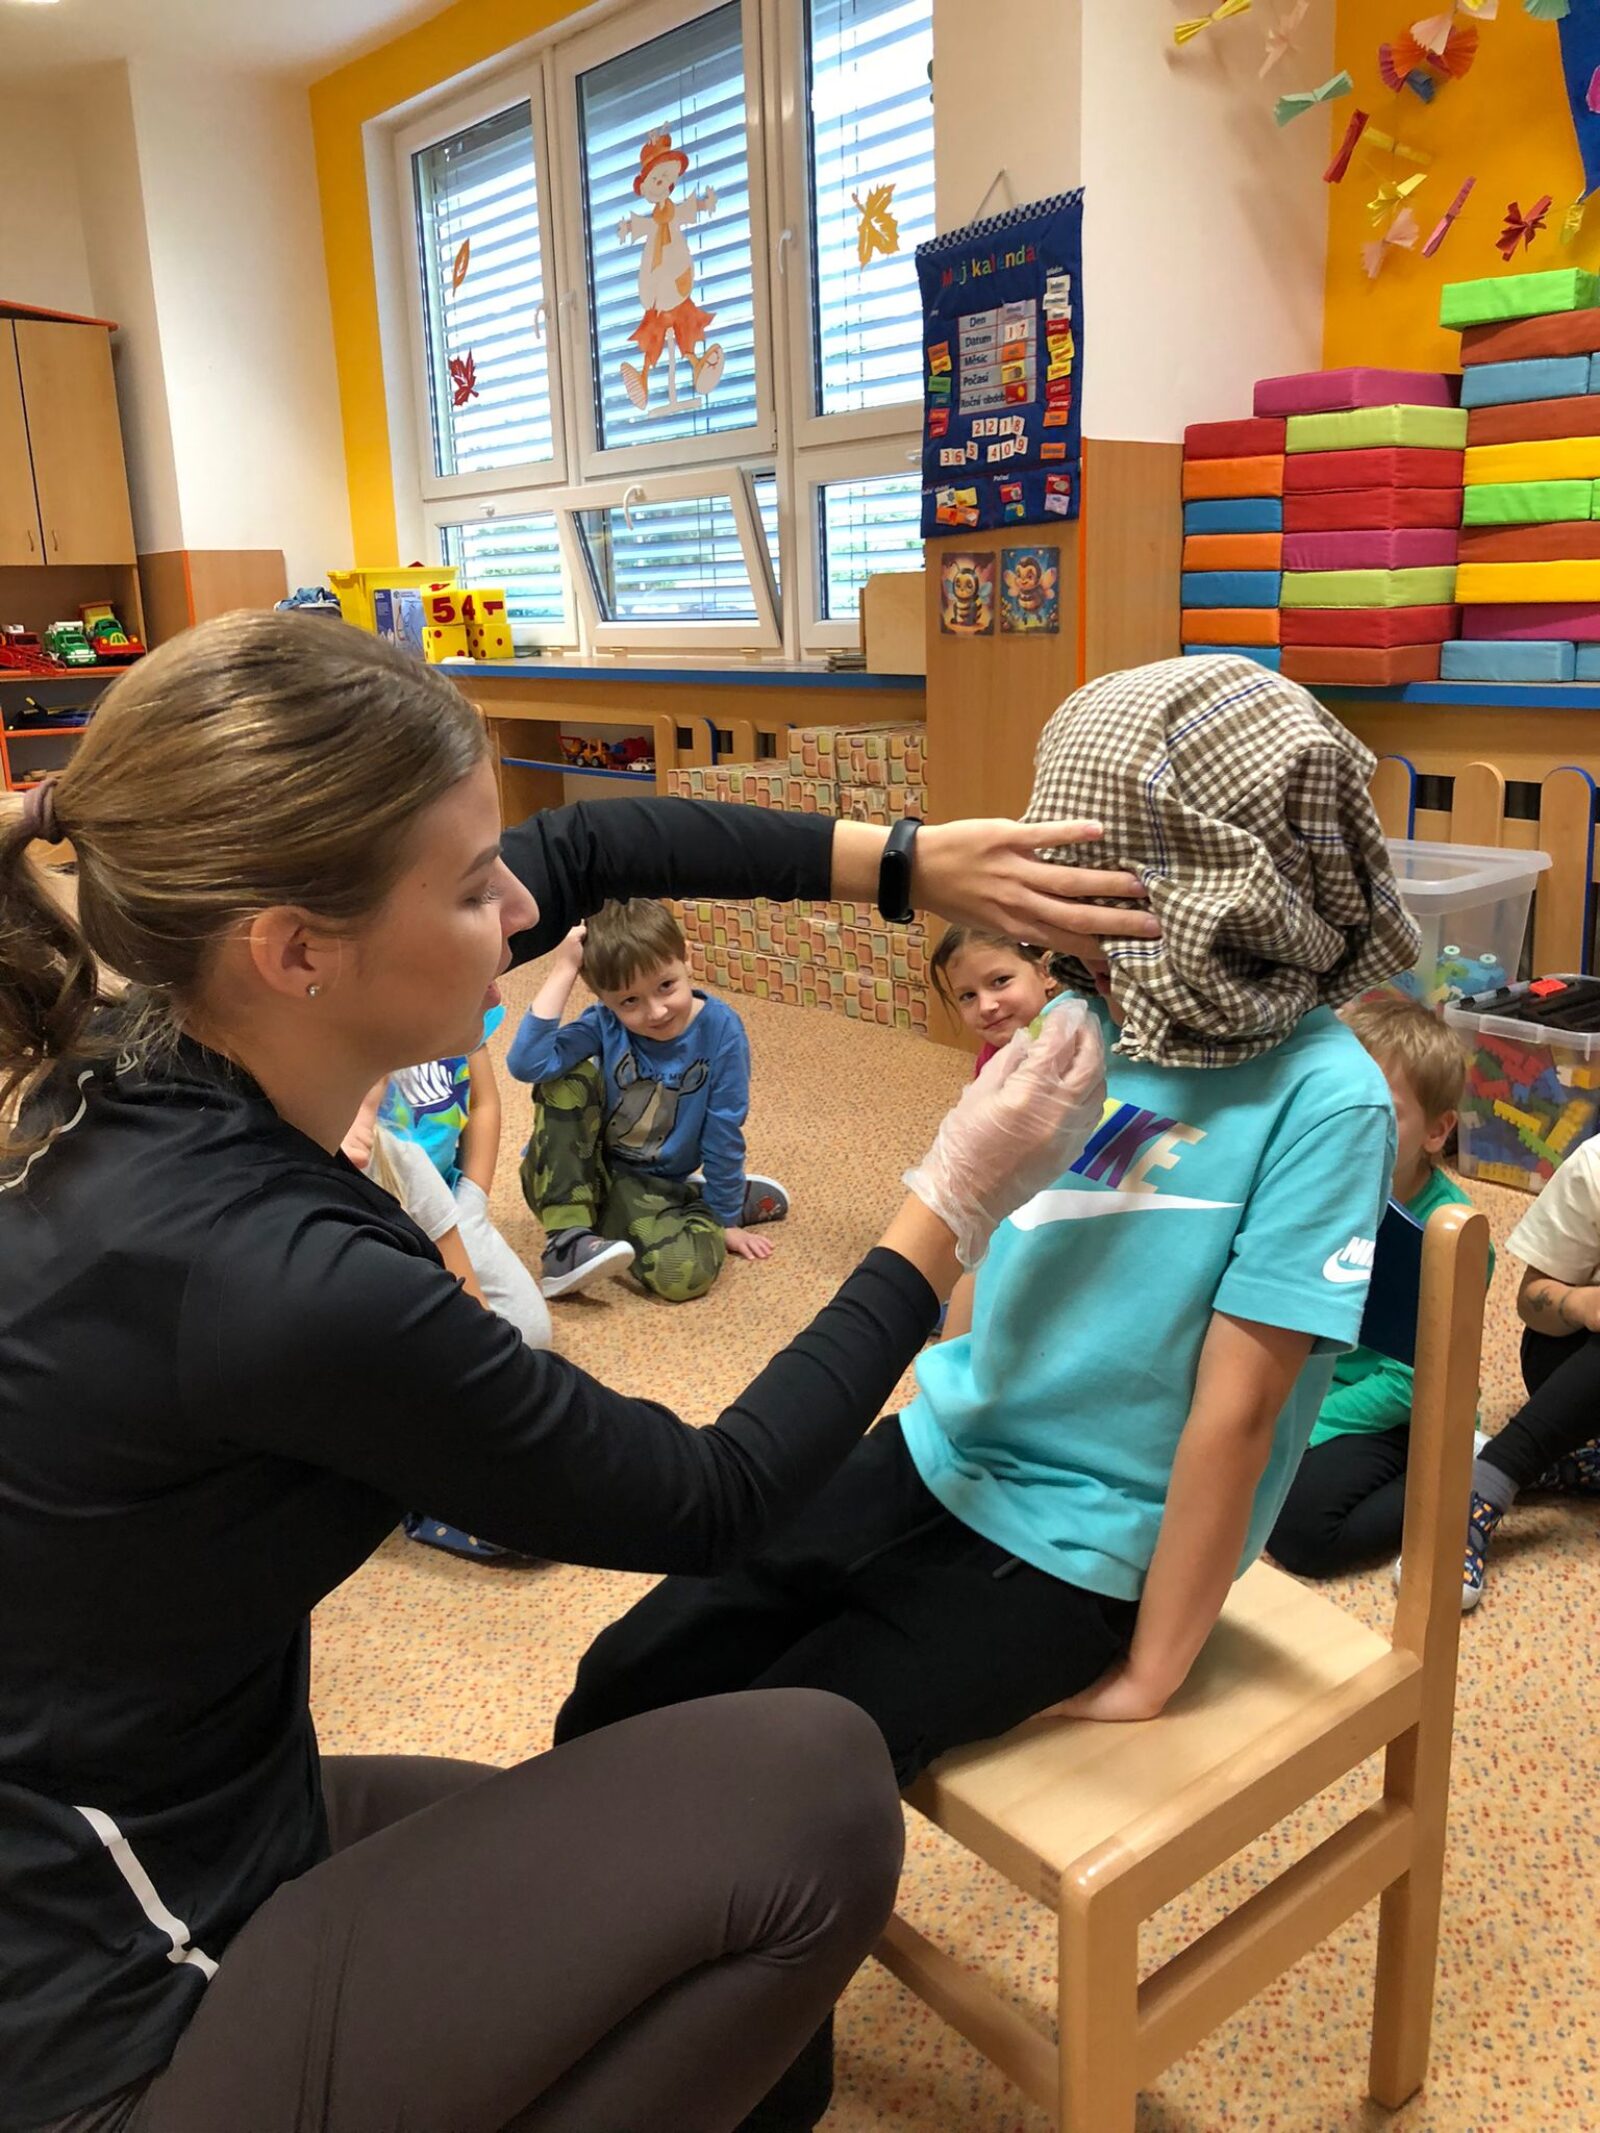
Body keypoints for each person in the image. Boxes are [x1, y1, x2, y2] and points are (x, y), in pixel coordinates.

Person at [0, 610, 1158, 2133]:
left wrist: (907, 862)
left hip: (202, 1806)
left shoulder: (148, 1044)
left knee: (723, 1952)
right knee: (811, 1782)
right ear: (296, 950)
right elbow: (710, 1497)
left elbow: (599, 843)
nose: (519, 909)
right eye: (472, 887)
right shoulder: (273, 1279)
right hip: (111, 2016)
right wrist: (950, 1196)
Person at [555, 653, 1416, 2122]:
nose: (1046, 916)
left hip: (1087, 1542)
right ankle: (606, 1974)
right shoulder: (1091, 1020)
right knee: (628, 1681)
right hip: (947, 1444)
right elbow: (1004, 1248)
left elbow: (1239, 1414)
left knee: (779, 1776)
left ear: (1204, 887)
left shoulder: (1325, 1095)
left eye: (1089, 879)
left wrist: (1155, 1661)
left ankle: (751, 2074)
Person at [1267, 995, 1487, 1580]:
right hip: (1308, 1379)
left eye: (1383, 1109)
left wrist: (1308, 1425)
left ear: (1437, 1131)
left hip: (1399, 1410)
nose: (1354, 1122)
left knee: (1301, 1532)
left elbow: (1409, 1382)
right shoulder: (1311, 1181)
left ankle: (1467, 1469)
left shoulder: (1450, 1232)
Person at [509, 899, 786, 1303]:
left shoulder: (721, 1031)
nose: (655, 1011)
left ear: (685, 956)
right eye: (629, 1001)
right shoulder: (603, 1023)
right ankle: (567, 1240)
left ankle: (700, 1200)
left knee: (683, 1275)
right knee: (565, 1078)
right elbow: (528, 1063)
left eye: (666, 986)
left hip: (653, 1185)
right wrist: (564, 969)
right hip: (574, 1177)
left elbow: (723, 1130)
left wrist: (724, 1218)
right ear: (603, 999)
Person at [1462, 1127, 1600, 1609]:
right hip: (1572, 1357)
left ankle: (1572, 1466)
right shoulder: (1594, 1165)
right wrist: (1584, 1304)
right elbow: (1532, 1301)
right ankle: (1488, 1481)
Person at [928, 924, 1056, 1073]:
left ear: (1047, 972)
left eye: (1000, 981)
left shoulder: (1073, 1044)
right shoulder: (990, 1058)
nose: (985, 1007)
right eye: (968, 995)